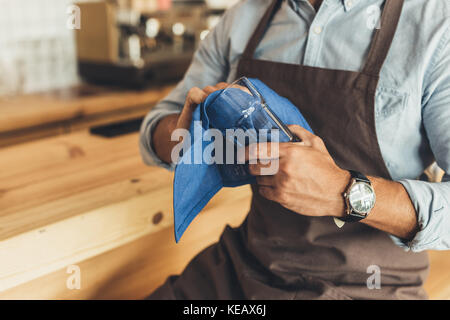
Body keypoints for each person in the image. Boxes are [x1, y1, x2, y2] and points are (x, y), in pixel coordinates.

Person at [139, 0, 450, 299]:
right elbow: (155, 130)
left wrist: (342, 192)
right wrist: (192, 137)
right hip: (248, 267)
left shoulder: (435, 26)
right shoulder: (244, 17)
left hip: (368, 285)